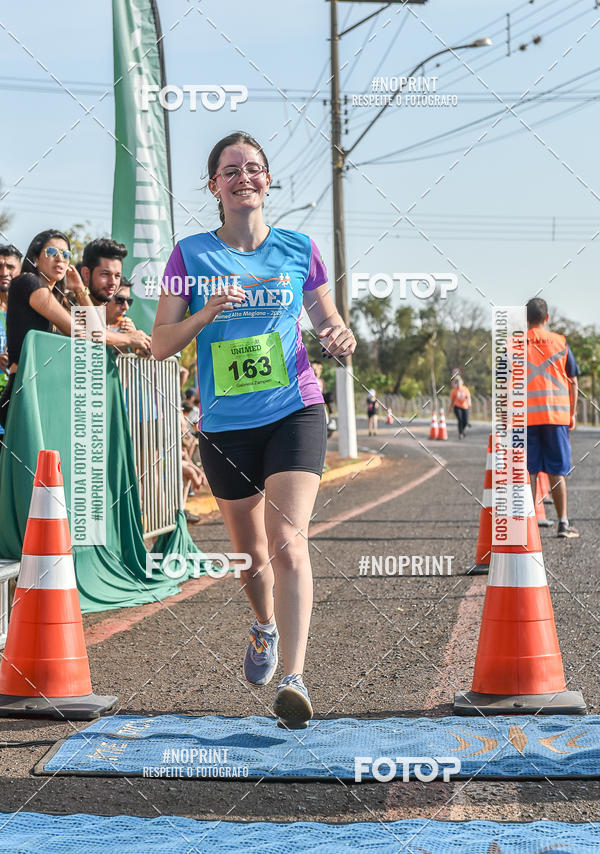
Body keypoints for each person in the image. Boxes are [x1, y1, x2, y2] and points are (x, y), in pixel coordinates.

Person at [152, 131, 356, 727]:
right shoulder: (188, 257)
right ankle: (263, 626)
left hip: (295, 408)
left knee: (290, 542)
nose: (244, 176)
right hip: (225, 425)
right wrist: (208, 310)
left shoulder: (300, 249)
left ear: (268, 180)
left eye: (255, 167)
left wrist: (339, 337)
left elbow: (328, 319)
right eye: (230, 169)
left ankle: (294, 678)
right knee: (251, 554)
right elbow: (161, 343)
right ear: (213, 185)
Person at [0, 230, 93, 434]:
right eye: (52, 252)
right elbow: (83, 333)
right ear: (35, 258)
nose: (60, 258)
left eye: (66, 254)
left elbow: (94, 330)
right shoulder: (27, 282)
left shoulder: (59, 301)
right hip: (24, 393)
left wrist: (79, 290)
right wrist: (128, 338)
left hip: (49, 394)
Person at [526, 297, 580, 538]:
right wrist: (573, 412)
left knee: (529, 471)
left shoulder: (515, 343)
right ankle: (563, 523)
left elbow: (504, 381)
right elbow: (573, 381)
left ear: (525, 319)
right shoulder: (560, 343)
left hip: (526, 418)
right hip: (556, 416)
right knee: (557, 471)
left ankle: (527, 526)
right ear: (546, 318)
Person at [80, 239, 151, 356]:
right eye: (105, 274)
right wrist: (128, 339)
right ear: (86, 274)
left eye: (117, 275)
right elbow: (88, 331)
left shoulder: (111, 321)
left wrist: (139, 346)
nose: (112, 282)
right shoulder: (72, 302)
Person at [0, 245, 23, 435]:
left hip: (18, 405)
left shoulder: (33, 308)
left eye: (10, 267)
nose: (4, 272)